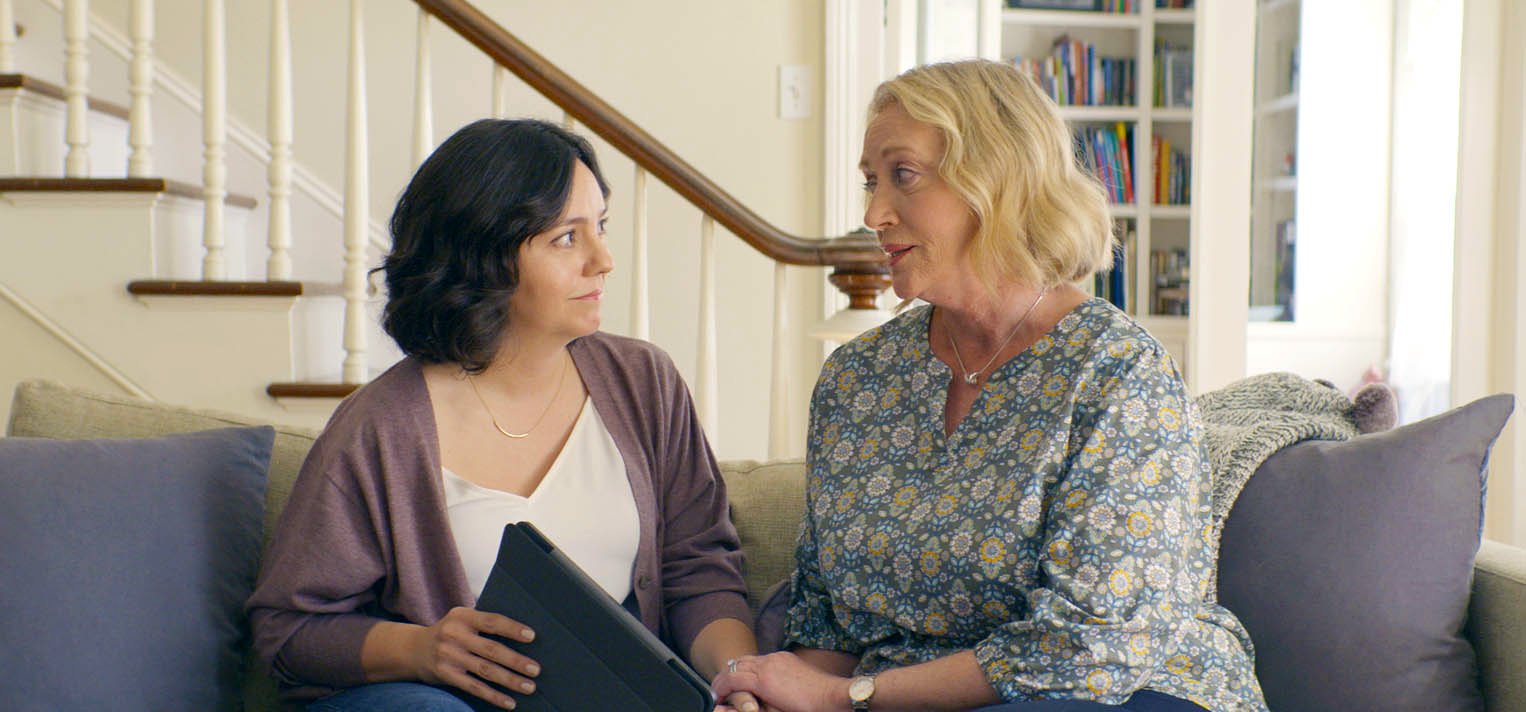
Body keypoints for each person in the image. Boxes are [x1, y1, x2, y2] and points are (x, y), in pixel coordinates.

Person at [713, 61, 1267, 712]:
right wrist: (775, 696)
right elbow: (829, 627)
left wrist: (846, 696)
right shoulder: (855, 379)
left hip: (1121, 693)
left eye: (903, 175)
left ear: (997, 179)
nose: (873, 213)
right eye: (870, 181)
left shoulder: (1117, 372)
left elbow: (1096, 647)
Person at [247, 119, 761, 712]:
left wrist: (741, 680)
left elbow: (699, 569)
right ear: (482, 257)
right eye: (566, 238)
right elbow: (288, 629)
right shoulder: (380, 429)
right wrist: (420, 649)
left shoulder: (644, 383)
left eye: (600, 227)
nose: (603, 260)